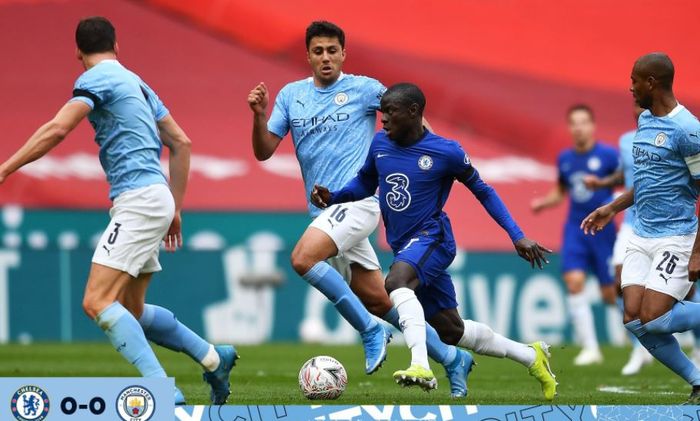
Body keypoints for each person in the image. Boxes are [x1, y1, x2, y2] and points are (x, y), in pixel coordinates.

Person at [0, 17, 236, 405]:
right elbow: (181, 142)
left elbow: (58, 129)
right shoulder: (137, 83)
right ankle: (213, 358)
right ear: (117, 47)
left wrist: (6, 167)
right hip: (155, 197)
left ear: (78, 53)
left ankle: (160, 387)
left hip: (138, 201)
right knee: (131, 308)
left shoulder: (95, 80)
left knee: (96, 301)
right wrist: (173, 205)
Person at [247, 21, 475, 397]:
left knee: (303, 259)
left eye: (332, 51)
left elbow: (414, 122)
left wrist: (428, 160)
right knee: (379, 300)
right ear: (308, 55)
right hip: (325, 213)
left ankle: (369, 331)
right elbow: (263, 151)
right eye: (318, 51)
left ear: (343, 54)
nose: (325, 58)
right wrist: (258, 115)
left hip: (362, 202)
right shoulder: (291, 96)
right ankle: (452, 359)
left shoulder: (365, 89)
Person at [311, 83, 558, 400]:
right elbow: (365, 182)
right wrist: (336, 198)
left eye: (391, 112)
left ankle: (419, 365)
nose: (383, 119)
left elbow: (484, 191)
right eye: (382, 112)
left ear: (413, 112)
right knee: (451, 330)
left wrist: (517, 235)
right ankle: (530, 356)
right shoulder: (380, 145)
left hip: (433, 237)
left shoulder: (446, 152)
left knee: (397, 281)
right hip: (406, 245)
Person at [582, 52, 700, 404]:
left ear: (651, 82)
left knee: (655, 319)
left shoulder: (689, 131)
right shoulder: (646, 121)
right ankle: (697, 381)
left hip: (676, 236)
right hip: (640, 234)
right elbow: (648, 181)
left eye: (634, 79)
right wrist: (611, 206)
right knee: (633, 318)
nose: (629, 86)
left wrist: (697, 250)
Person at [531, 105, 619, 365]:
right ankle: (591, 348)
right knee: (574, 281)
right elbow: (561, 191)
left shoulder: (609, 156)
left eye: (583, 122)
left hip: (603, 231)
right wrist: (544, 204)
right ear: (570, 128)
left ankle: (642, 341)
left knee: (610, 294)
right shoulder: (565, 158)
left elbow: (625, 184)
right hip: (576, 229)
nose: (579, 127)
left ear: (592, 126)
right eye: (574, 123)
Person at [583, 104, 654, 375]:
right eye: (634, 102)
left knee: (687, 292)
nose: (637, 106)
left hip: (665, 224)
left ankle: (696, 346)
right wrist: (602, 185)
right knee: (619, 281)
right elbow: (626, 175)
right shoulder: (626, 141)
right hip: (632, 222)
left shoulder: (672, 132)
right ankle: (640, 348)